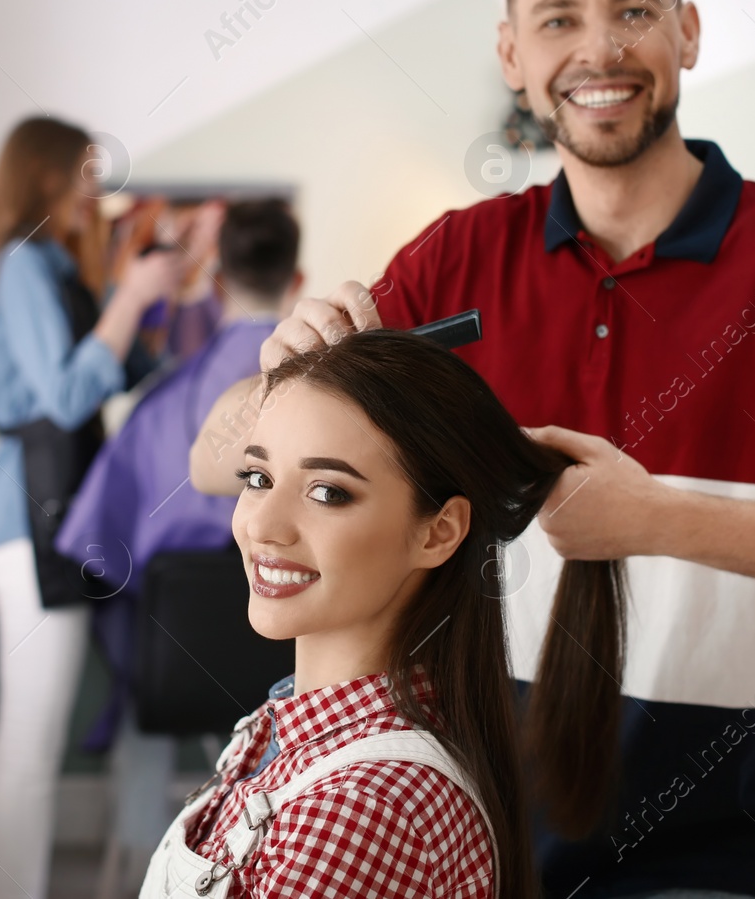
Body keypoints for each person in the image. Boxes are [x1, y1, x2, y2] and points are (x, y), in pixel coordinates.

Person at [189, 0, 755, 899]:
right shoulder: (456, 258)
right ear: (513, 56)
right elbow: (213, 453)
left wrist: (661, 517)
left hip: (714, 852)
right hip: (462, 829)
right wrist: (273, 376)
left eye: (634, 10)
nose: (601, 49)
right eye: (557, 18)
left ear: (688, 32)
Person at [144, 328, 623, 899]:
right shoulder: (292, 734)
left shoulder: (361, 809)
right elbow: (203, 459)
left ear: (438, 532)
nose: (262, 526)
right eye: (258, 478)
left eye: (327, 493)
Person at [0, 115, 197, 899]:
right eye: (87, 175)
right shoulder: (16, 265)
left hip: (61, 509)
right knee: (30, 735)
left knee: (40, 732)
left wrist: (161, 288)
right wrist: (128, 296)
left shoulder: (57, 267)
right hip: (31, 510)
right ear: (49, 176)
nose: (98, 193)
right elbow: (63, 394)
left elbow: (128, 368)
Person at [51, 199, 304, 891]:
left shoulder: (167, 401)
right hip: (284, 674)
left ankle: (140, 869)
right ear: (299, 278)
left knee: (144, 675)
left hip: (173, 666)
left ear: (216, 283)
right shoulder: (326, 395)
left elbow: (100, 547)